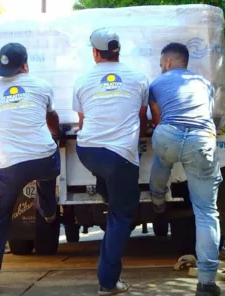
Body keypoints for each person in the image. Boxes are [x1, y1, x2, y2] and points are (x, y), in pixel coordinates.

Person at [0, 43, 62, 295]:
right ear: (25, 65)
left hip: (11, 165)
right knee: (47, 177)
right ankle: (49, 211)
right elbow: (51, 120)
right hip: (45, 157)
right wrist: (58, 133)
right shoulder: (41, 86)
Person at [73, 28, 149, 295]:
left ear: (95, 52)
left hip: (88, 152)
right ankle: (108, 282)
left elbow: (83, 123)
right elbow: (141, 119)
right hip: (120, 157)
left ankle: (106, 192)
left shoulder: (82, 81)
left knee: (110, 185)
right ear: (118, 50)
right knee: (121, 216)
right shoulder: (139, 78)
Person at [148, 42, 222, 296]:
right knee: (206, 212)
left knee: (162, 156)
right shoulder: (205, 84)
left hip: (168, 137)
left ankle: (157, 200)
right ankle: (207, 282)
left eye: (161, 65)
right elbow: (209, 116)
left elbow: (156, 118)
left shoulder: (156, 85)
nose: (161, 69)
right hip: (201, 141)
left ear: (167, 63)